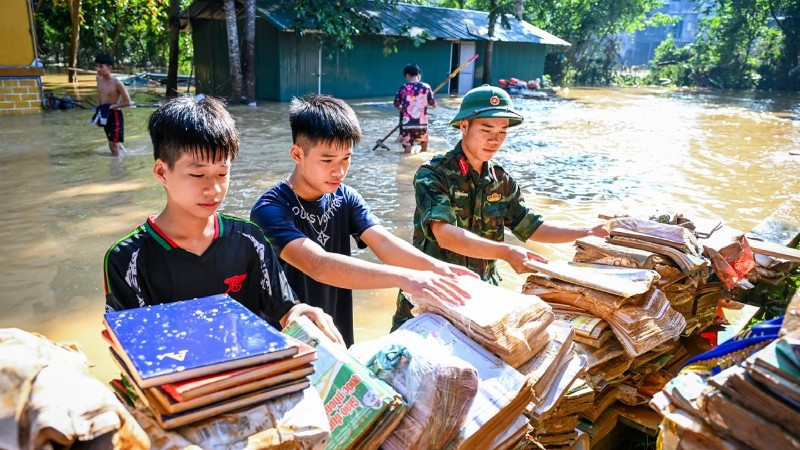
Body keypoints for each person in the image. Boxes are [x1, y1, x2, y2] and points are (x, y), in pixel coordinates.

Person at [103, 95, 343, 344]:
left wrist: (301, 313)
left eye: (222, 173)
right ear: (162, 172)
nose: (214, 189)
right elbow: (135, 346)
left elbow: (284, 310)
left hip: (249, 373)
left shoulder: (250, 239)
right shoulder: (127, 258)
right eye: (198, 175)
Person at [250, 94, 475, 347]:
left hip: (337, 330)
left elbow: (384, 243)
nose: (339, 171)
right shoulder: (269, 209)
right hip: (289, 336)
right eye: (327, 160)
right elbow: (317, 265)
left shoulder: (344, 196)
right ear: (297, 154)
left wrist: (436, 268)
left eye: (346, 158)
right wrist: (406, 278)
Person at [391, 85, 609, 330]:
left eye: (502, 131)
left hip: (483, 297)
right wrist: (506, 252)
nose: (495, 139)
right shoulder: (433, 175)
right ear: (464, 126)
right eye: (486, 129)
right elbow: (445, 236)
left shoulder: (502, 181)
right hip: (432, 295)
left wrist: (586, 232)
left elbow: (531, 227)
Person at [93, 54, 131, 156]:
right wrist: (98, 111)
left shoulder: (117, 83)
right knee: (112, 140)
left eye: (101, 66)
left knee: (112, 144)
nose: (98, 69)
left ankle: (117, 166)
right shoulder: (98, 79)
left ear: (109, 67)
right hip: (104, 113)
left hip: (115, 115)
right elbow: (100, 95)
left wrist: (111, 107)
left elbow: (128, 102)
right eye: (96, 66)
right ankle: (123, 154)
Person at [393, 63, 436, 153]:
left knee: (407, 152)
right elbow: (432, 103)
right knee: (424, 151)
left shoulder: (403, 88)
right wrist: (431, 104)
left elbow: (396, 104)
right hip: (422, 124)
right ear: (418, 75)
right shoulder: (426, 87)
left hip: (407, 125)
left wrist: (404, 110)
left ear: (408, 75)